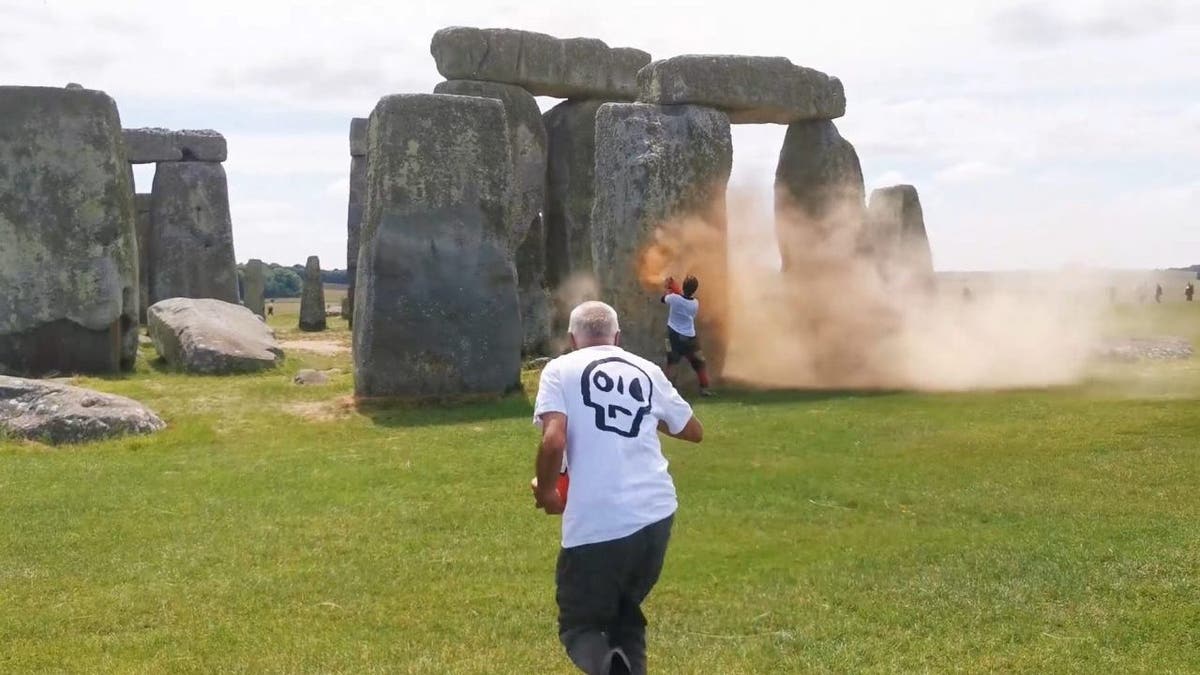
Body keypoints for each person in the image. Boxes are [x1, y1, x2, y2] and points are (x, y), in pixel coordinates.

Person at [532, 301, 704, 675]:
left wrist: (547, 492)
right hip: (656, 516)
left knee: (580, 624)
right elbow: (692, 431)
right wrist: (641, 411)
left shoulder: (559, 370)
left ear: (572, 340)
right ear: (618, 338)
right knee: (625, 612)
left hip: (598, 520)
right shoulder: (646, 369)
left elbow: (553, 440)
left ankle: (609, 667)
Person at [661, 275, 713, 397]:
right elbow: (682, 298)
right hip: (690, 338)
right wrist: (675, 289)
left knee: (672, 363)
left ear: (684, 286)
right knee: (699, 363)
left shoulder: (674, 298)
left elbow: (664, 299)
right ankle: (704, 389)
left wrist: (670, 288)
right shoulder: (695, 303)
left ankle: (666, 391)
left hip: (673, 336)